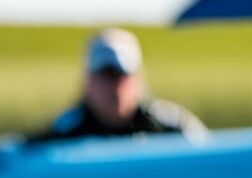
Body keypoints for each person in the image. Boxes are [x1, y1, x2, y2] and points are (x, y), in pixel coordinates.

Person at [27, 28, 206, 144]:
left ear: (138, 79)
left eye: (122, 75)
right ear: (87, 81)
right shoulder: (64, 135)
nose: (115, 87)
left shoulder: (172, 127)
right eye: (105, 75)